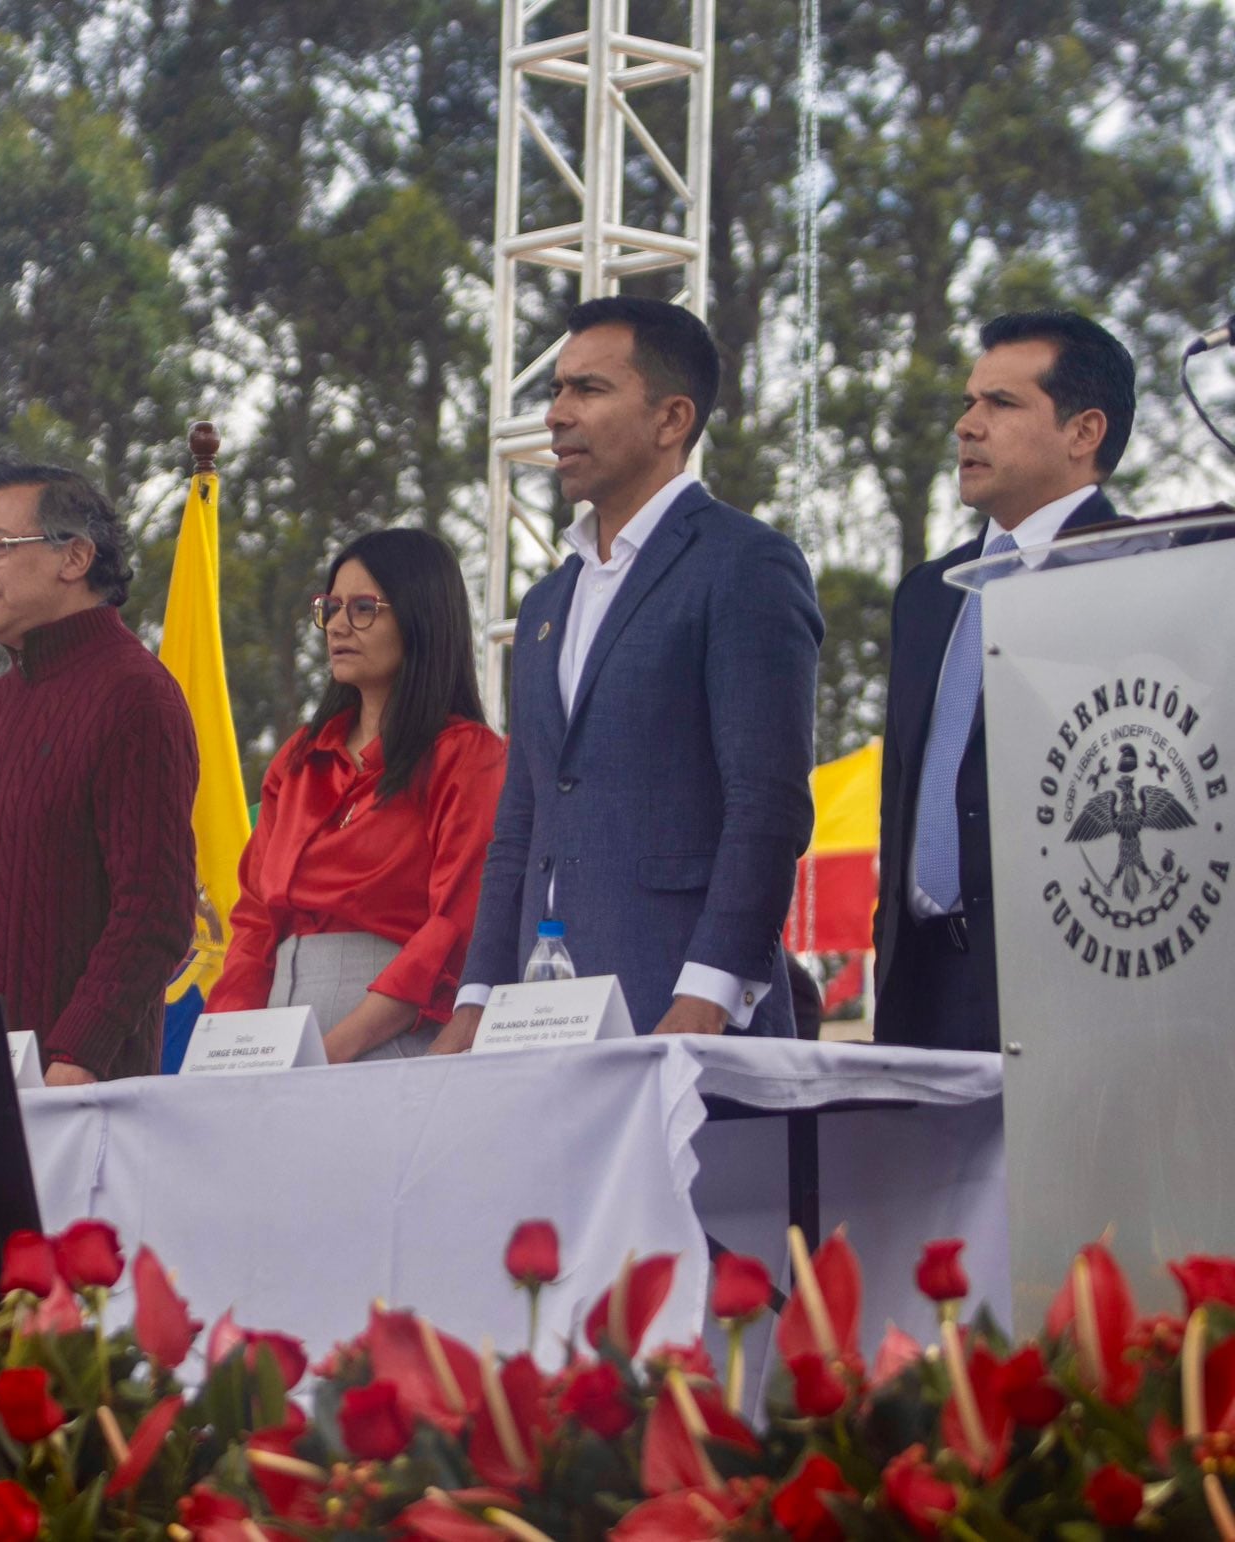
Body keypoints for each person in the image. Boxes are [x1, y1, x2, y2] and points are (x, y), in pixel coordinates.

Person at [434, 296, 823, 1048]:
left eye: (589, 389)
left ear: (671, 419)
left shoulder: (744, 565)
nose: (556, 414)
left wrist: (708, 990)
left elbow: (767, 802)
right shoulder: (547, 599)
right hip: (537, 1020)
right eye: (555, 389)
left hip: (682, 1008)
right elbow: (520, 822)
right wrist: (476, 997)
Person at [872, 311, 1135, 1052]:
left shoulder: (1145, 575)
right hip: (921, 993)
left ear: (1084, 432)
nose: (968, 425)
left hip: (1075, 996)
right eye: (967, 402)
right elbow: (904, 797)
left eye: (1002, 404)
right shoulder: (928, 593)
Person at [0, 462, 197, 1083]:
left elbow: (154, 911)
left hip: (76, 1100)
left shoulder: (137, 696)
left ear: (75, 557)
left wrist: (77, 1057)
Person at [203, 528, 506, 1061]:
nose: (339, 625)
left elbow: (456, 927)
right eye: (332, 607)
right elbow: (254, 922)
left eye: (364, 608)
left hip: (390, 1031)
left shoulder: (467, 757)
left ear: (421, 619)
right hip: (276, 1033)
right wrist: (225, 1047)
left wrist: (331, 1051)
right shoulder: (299, 760)